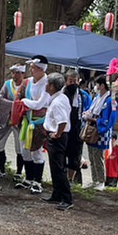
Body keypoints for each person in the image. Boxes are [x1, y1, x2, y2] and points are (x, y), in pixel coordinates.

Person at [16, 57, 52, 193]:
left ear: (41, 69)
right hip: (27, 120)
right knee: (24, 149)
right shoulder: (29, 82)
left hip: (38, 122)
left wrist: (25, 101)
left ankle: (38, 181)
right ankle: (29, 178)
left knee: (36, 150)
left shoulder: (47, 83)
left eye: (34, 68)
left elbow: (39, 104)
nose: (31, 70)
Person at [43, 72, 74, 211]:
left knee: (58, 168)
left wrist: (57, 134)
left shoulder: (57, 102)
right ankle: (57, 193)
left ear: (52, 86)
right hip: (57, 134)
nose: (46, 85)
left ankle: (67, 198)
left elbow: (62, 121)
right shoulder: (60, 98)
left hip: (58, 136)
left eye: (47, 83)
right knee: (55, 167)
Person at [0, 63, 27, 179]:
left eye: (17, 73)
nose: (14, 75)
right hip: (5, 120)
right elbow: (0, 99)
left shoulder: (27, 85)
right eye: (13, 72)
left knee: (19, 148)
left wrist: (19, 107)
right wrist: (15, 105)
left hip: (20, 122)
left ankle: (19, 172)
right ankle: (1, 169)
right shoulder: (7, 85)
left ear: (23, 74)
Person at [83, 77, 118, 189]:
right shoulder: (97, 97)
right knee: (92, 156)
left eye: (97, 85)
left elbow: (110, 118)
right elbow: (91, 110)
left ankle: (101, 181)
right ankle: (94, 180)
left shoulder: (110, 101)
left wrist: (96, 121)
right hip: (92, 128)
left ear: (102, 86)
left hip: (101, 131)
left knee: (98, 157)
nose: (96, 87)